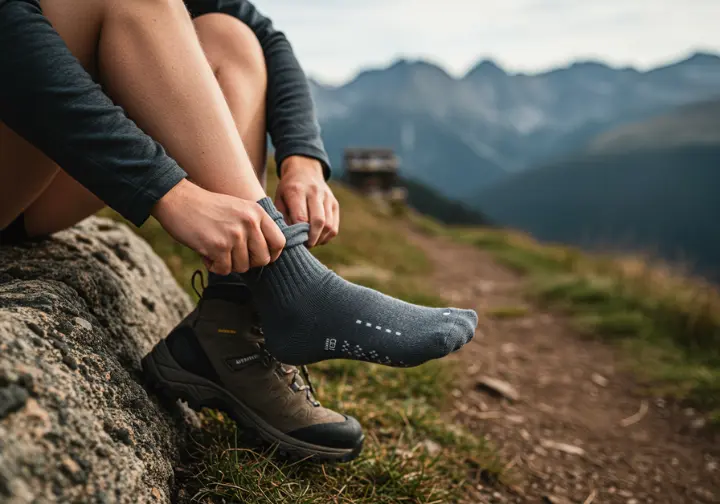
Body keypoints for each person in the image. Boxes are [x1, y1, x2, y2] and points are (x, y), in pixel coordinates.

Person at [0, 0, 478, 462]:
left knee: (229, 36)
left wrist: (303, 158)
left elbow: (263, 32)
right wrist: (168, 191)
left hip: (27, 181)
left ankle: (229, 326)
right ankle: (299, 291)